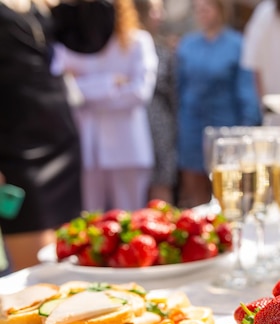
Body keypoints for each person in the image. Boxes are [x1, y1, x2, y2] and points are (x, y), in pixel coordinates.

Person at [0, 0, 115, 270]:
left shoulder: (37, 5)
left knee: (67, 261)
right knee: (37, 272)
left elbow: (91, 38)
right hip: (16, 153)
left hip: (60, 142)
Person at [54, 0, 158, 212]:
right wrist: (111, 82)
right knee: (91, 224)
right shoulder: (70, 41)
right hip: (87, 149)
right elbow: (63, 89)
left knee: (129, 223)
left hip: (127, 148)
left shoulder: (138, 41)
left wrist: (84, 88)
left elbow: (139, 93)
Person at [176, 0, 261, 208]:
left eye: (206, 8)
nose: (202, 13)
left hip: (226, 132)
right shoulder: (187, 45)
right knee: (195, 198)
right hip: (192, 132)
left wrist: (246, 130)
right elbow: (179, 90)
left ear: (219, 10)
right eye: (198, 9)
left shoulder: (237, 45)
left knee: (228, 197)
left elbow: (246, 92)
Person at [134, 0, 178, 204]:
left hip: (160, 127)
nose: (159, 16)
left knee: (161, 182)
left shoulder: (163, 48)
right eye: (154, 11)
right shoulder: (126, 46)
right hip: (135, 125)